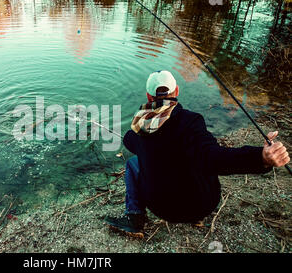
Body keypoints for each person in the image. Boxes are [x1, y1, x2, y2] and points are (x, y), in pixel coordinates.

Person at [104, 70, 290, 237]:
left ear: (148, 96)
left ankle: (135, 218)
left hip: (162, 208)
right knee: (198, 159)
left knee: (132, 163)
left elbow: (130, 141)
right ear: (176, 91)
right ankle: (197, 219)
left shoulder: (140, 128)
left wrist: (260, 157)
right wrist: (260, 157)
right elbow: (214, 157)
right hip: (201, 205)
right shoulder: (191, 121)